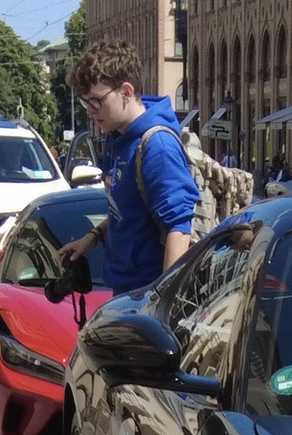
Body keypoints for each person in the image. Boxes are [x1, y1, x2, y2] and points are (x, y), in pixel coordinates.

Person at [56, 39, 197, 293]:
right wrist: (93, 237)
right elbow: (129, 210)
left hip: (144, 297)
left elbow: (179, 229)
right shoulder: (118, 136)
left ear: (126, 92)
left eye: (96, 100)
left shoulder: (157, 146)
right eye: (85, 102)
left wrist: (161, 306)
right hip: (124, 291)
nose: (90, 110)